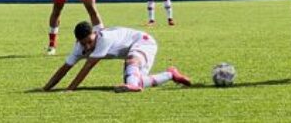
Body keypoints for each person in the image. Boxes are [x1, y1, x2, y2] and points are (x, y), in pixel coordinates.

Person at [42, 22, 191, 93]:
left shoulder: (104, 38)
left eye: (89, 42)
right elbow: (65, 68)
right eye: (83, 43)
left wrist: (70, 89)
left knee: (131, 61)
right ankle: (171, 74)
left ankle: (132, 85)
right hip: (135, 49)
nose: (87, 47)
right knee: (138, 81)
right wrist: (45, 88)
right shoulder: (79, 48)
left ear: (95, 34)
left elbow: (87, 67)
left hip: (144, 42)